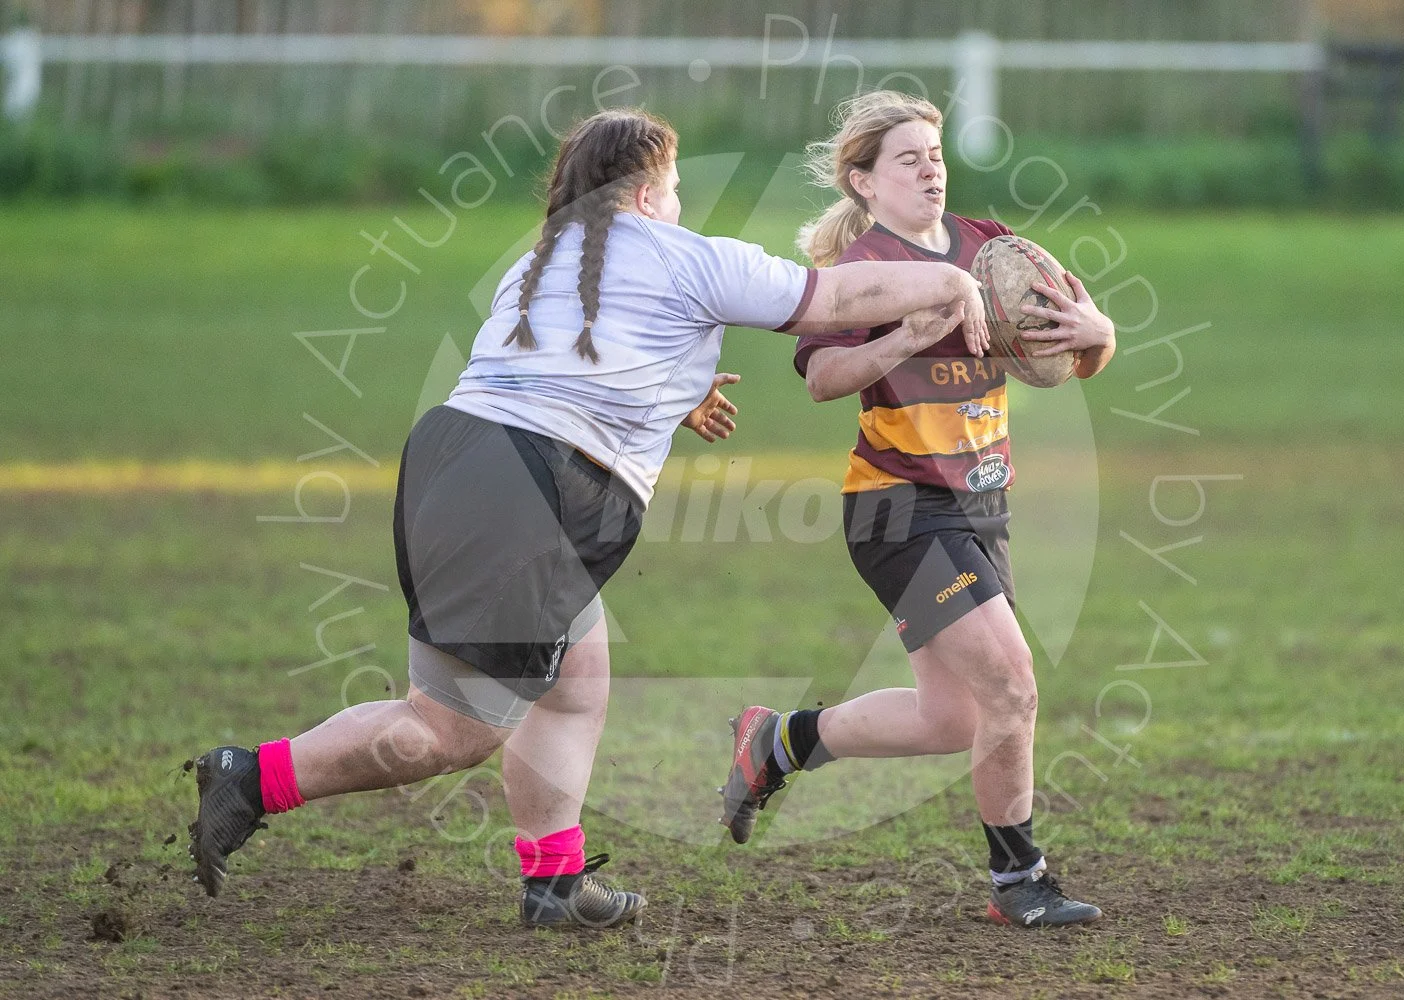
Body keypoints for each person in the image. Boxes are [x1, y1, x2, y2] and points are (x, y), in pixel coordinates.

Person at [188, 106, 994, 929]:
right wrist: (957, 281)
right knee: (451, 730)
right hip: (538, 489)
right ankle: (253, 778)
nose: (679, 205)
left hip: (459, 456)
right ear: (646, 193)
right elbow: (835, 297)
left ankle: (555, 885)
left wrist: (675, 398)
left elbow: (571, 362)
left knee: (575, 684)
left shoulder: (541, 261)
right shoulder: (684, 254)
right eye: (674, 188)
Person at [717, 91, 1116, 928]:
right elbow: (823, 379)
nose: (930, 167)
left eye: (935, 153)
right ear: (863, 182)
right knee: (1012, 685)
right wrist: (906, 331)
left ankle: (780, 742)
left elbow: (1075, 356)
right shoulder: (860, 274)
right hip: (897, 507)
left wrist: (1096, 329)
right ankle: (1020, 882)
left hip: (980, 505)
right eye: (908, 157)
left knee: (952, 717)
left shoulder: (992, 248)